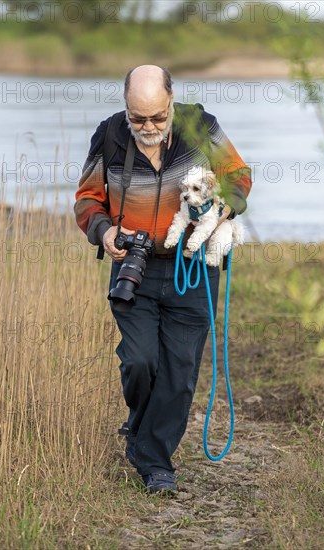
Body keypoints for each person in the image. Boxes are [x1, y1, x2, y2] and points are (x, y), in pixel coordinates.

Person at [74, 65, 252, 493]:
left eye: (156, 117)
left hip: (193, 268)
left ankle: (155, 463)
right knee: (139, 362)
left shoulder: (200, 125)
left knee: (180, 369)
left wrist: (222, 211)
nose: (148, 127)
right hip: (134, 266)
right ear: (125, 108)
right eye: (138, 119)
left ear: (171, 101)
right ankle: (140, 429)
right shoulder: (110, 135)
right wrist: (105, 231)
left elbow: (238, 178)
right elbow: (87, 199)